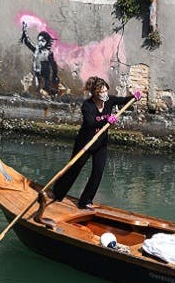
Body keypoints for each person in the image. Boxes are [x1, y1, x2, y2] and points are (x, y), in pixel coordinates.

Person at [48, 77, 141, 211]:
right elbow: (91, 123)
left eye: (106, 91)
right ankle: (57, 193)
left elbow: (123, 101)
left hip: (101, 144)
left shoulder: (109, 101)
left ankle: (85, 201)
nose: (105, 94)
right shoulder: (87, 106)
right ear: (95, 93)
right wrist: (107, 121)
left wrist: (134, 97)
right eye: (102, 92)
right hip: (85, 143)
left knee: (98, 172)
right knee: (74, 170)